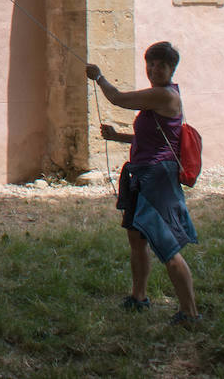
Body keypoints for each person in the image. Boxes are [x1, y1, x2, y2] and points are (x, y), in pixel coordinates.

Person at [86, 41, 201, 325]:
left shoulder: (164, 96)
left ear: (172, 69)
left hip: (158, 178)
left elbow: (118, 99)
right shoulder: (158, 99)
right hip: (142, 173)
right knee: (137, 238)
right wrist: (117, 137)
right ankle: (139, 297)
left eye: (160, 65)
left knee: (168, 247)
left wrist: (99, 76)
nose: (153, 69)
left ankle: (190, 313)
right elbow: (152, 139)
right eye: (150, 63)